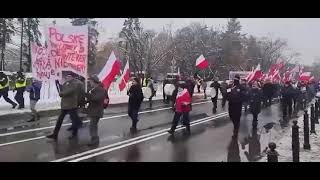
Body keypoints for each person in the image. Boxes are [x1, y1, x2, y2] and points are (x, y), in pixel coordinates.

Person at [46, 73, 82, 140]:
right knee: (59, 120)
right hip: (65, 105)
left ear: (72, 77)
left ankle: (74, 134)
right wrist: (57, 84)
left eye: (69, 76)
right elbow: (62, 89)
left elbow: (69, 91)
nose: (67, 78)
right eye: (67, 76)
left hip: (71, 105)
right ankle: (55, 134)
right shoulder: (66, 83)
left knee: (74, 120)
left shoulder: (75, 83)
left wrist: (61, 93)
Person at [85, 75, 106, 146]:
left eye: (90, 81)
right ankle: (94, 139)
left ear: (95, 82)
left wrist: (88, 95)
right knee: (93, 125)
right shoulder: (93, 89)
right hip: (93, 110)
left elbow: (97, 98)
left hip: (97, 110)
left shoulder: (100, 89)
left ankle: (94, 140)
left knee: (92, 125)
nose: (90, 83)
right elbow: (91, 98)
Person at [227, 74, 246, 138]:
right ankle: (236, 126)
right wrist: (228, 97)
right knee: (231, 116)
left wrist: (239, 100)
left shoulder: (241, 87)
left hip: (238, 105)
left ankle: (236, 130)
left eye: (237, 79)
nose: (235, 80)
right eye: (235, 78)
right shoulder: (230, 86)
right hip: (231, 104)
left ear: (238, 79)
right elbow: (227, 93)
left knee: (237, 118)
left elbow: (244, 95)